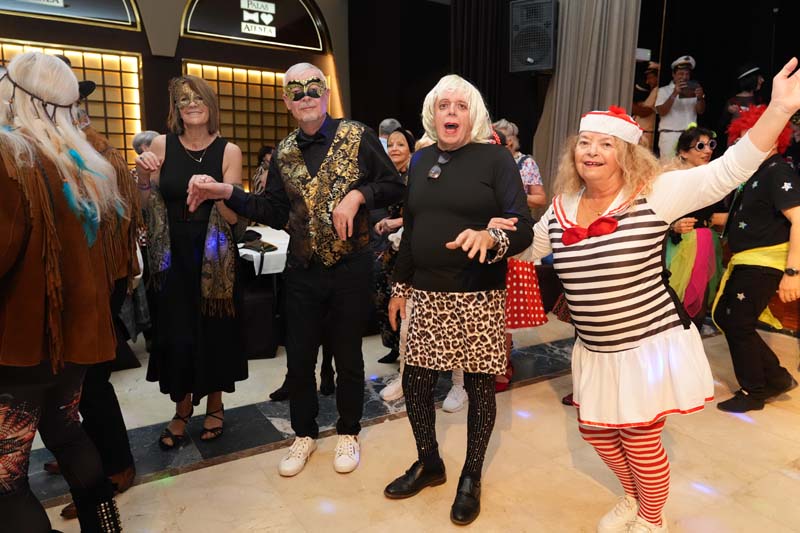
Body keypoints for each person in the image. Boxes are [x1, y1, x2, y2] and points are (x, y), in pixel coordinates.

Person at [503, 58, 800, 533]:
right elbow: (529, 250)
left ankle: (652, 517)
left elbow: (728, 169)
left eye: (606, 143)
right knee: (597, 433)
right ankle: (631, 497)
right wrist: (491, 233)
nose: (592, 151)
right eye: (585, 142)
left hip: (646, 345)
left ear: (627, 153)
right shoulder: (562, 207)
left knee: (639, 440)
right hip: (595, 349)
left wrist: (779, 110)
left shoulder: (656, 192)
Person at [186, 62, 404, 477]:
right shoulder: (284, 152)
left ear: (326, 94)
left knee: (348, 356)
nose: (306, 97)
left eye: (313, 88)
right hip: (302, 269)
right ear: (286, 101)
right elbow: (273, 210)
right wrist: (226, 191)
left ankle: (349, 431)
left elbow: (395, 185)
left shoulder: (358, 135)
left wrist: (358, 194)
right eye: (296, 91)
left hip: (350, 266)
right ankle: (304, 433)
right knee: (299, 359)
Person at [382, 74, 534, 526]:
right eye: (444, 105)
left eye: (461, 105)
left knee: (480, 388)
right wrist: (399, 286)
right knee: (415, 384)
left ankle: (471, 476)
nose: (451, 112)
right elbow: (413, 226)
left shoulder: (496, 159)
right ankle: (430, 462)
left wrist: (491, 237)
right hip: (427, 293)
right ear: (433, 113)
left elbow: (522, 227)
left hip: (478, 294)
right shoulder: (421, 159)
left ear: (474, 114)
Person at [0, 51, 124, 532]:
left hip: (22, 344)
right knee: (68, 434)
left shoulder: (12, 157)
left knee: (6, 478)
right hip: (73, 343)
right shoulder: (85, 164)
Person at [134, 75, 247, 449]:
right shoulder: (161, 144)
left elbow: (234, 217)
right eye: (184, 100)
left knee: (214, 333)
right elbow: (145, 205)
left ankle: (215, 405)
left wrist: (214, 192)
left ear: (211, 104)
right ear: (176, 108)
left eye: (198, 98)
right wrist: (143, 176)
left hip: (215, 255)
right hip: (171, 257)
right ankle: (182, 409)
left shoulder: (229, 151)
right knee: (177, 335)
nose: (192, 104)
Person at [44, 99, 141, 520]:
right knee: (74, 377)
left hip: (100, 280)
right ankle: (85, 447)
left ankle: (117, 464)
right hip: (79, 280)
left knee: (92, 375)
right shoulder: (59, 147)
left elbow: (114, 225)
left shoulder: (98, 152)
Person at [712, 104, 800, 413]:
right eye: (741, 138)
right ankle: (776, 378)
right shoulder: (757, 173)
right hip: (749, 260)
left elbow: (799, 218)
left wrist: (793, 272)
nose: (743, 144)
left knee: (738, 322)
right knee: (728, 318)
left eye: (749, 136)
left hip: (764, 262)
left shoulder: (778, 170)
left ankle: (754, 391)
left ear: (774, 137)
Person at [664, 126, 727, 332]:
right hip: (678, 246)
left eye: (711, 145)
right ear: (683, 152)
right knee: (672, 305)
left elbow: (714, 214)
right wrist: (673, 227)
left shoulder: (712, 179)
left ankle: (691, 346)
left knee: (698, 309)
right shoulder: (672, 179)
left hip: (704, 243)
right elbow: (659, 213)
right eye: (700, 146)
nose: (708, 150)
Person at [375, 127, 416, 364]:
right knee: (384, 293)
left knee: (406, 299)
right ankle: (393, 346)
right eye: (390, 144)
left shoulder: (416, 174)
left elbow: (422, 212)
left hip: (413, 246)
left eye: (400, 144)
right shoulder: (392, 175)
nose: (394, 149)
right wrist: (385, 222)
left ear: (411, 149)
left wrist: (397, 222)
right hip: (393, 245)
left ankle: (408, 350)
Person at [656, 55, 706, 159]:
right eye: (681, 74)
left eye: (687, 74)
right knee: (669, 166)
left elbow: (700, 111)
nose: (684, 77)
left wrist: (700, 98)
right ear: (673, 75)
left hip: (690, 136)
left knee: (689, 166)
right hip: (670, 135)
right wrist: (675, 93)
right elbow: (661, 111)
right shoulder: (664, 90)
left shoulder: (693, 89)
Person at [492, 118, 547, 208]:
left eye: (497, 140)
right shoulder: (489, 160)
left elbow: (541, 200)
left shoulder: (526, 163)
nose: (493, 143)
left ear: (509, 142)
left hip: (515, 214)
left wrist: (517, 196)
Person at [717, 63, 765, 153]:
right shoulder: (733, 101)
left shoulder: (760, 100)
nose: (762, 80)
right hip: (737, 146)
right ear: (751, 79)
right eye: (759, 78)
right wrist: (729, 113)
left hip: (756, 144)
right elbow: (721, 126)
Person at [632, 61, 660, 150]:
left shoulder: (657, 90)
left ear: (658, 77)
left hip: (647, 134)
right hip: (642, 133)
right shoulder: (652, 92)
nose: (647, 82)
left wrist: (627, 103)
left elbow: (645, 112)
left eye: (650, 78)